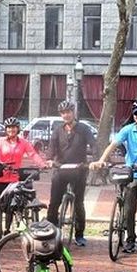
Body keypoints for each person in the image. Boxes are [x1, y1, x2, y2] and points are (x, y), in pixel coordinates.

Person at [91, 100, 137, 253]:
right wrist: (101, 160)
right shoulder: (127, 130)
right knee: (129, 210)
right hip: (131, 175)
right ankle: (130, 239)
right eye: (136, 113)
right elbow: (112, 145)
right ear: (133, 115)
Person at [45, 100, 96, 247]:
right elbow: (51, 147)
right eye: (63, 113)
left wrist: (95, 161)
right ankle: (51, 232)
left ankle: (79, 234)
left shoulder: (83, 129)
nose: (66, 115)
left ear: (73, 113)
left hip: (79, 169)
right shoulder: (57, 130)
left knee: (78, 202)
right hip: (61, 169)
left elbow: (93, 145)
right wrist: (49, 159)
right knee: (54, 202)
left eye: (68, 112)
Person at [0, 117, 46, 234]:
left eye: (14, 127)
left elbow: (33, 154)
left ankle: (8, 229)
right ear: (6, 129)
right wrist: (0, 163)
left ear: (18, 129)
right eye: (9, 128)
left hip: (14, 179)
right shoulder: (1, 141)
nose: (11, 130)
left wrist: (42, 164)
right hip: (0, 178)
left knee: (13, 205)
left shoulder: (23, 142)